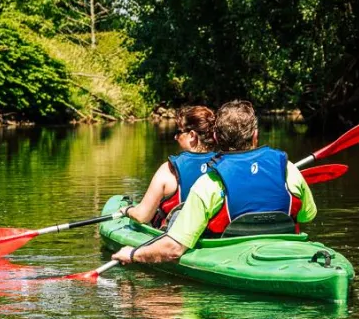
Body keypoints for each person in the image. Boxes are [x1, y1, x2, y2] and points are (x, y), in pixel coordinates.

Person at [113, 100, 316, 265]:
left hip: (231, 258)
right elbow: (307, 215)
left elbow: (173, 249)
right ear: (255, 135)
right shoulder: (288, 169)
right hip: (285, 252)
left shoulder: (210, 183)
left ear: (217, 137)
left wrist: (133, 254)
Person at [123, 105, 216, 228]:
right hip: (213, 234)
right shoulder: (226, 164)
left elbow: (142, 216)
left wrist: (127, 210)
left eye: (179, 132)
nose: (175, 137)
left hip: (175, 236)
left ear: (192, 135)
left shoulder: (169, 170)